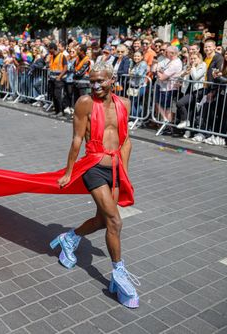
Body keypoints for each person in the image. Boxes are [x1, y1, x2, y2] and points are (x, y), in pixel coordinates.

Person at [51, 61, 139, 308]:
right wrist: (69, 172)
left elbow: (126, 141)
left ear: (112, 80)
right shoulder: (85, 103)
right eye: (92, 82)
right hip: (93, 167)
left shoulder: (125, 104)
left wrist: (124, 173)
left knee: (102, 221)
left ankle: (69, 237)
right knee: (115, 221)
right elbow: (77, 139)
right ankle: (119, 274)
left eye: (100, 81)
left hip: (115, 169)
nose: (96, 86)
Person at [176, 53, 206, 133]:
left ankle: (185, 121)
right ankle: (188, 130)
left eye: (195, 58)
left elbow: (196, 77)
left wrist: (193, 67)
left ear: (199, 59)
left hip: (197, 91)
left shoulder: (202, 65)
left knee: (180, 103)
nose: (192, 60)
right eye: (191, 58)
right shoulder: (187, 66)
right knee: (190, 110)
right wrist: (184, 74)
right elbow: (179, 78)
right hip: (187, 90)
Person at [156, 46, 183, 125]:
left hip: (169, 88)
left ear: (172, 53)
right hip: (165, 87)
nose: (164, 53)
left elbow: (162, 77)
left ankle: (167, 124)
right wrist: (161, 71)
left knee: (168, 108)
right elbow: (163, 72)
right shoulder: (171, 61)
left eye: (166, 51)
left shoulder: (175, 63)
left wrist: (157, 70)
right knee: (162, 105)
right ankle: (166, 122)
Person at [127, 50, 148, 127]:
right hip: (133, 87)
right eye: (135, 56)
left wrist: (132, 73)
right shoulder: (135, 64)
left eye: (138, 56)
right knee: (135, 103)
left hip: (140, 87)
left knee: (133, 102)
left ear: (142, 57)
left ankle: (134, 119)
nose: (136, 57)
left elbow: (139, 74)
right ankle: (137, 119)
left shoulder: (143, 64)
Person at [47, 42, 68, 115]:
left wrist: (59, 77)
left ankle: (61, 111)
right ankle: (56, 110)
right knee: (53, 95)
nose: (48, 51)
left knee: (58, 95)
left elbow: (65, 68)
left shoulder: (62, 56)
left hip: (59, 79)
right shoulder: (52, 56)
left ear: (53, 49)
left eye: (49, 49)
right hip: (52, 79)